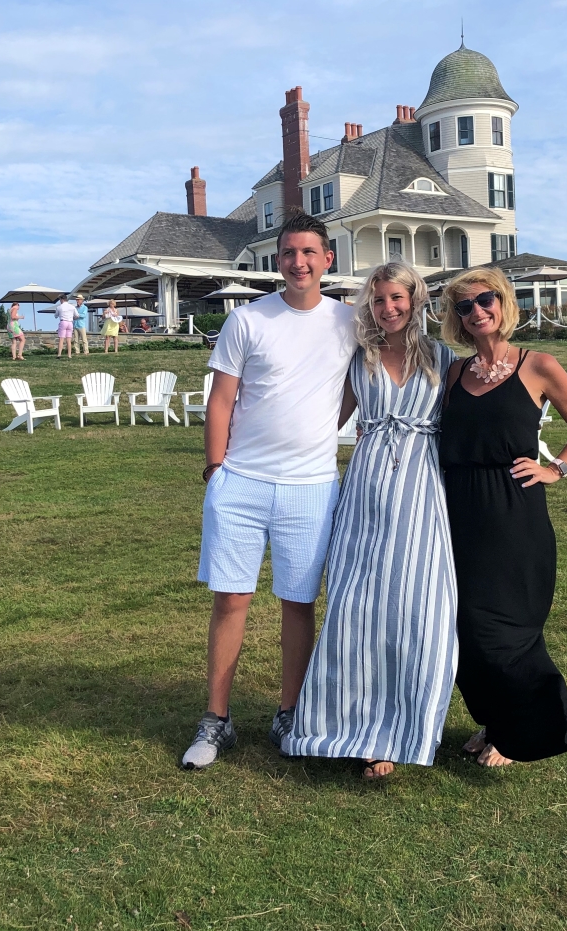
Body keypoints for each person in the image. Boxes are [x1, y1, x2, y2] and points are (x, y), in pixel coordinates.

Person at [181, 210, 356, 770]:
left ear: (328, 259)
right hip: (242, 483)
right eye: (288, 253)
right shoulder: (248, 321)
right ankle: (216, 719)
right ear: (276, 261)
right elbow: (221, 401)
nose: (298, 262)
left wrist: (322, 426)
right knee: (231, 600)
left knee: (298, 604)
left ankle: (290, 713)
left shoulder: (350, 322)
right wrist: (215, 471)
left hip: (311, 487)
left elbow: (357, 389)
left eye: (309, 252)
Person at [283, 262, 458, 780]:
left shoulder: (443, 358)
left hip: (424, 491)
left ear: (416, 299)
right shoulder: (359, 359)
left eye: (397, 298)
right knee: (358, 607)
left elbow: (465, 425)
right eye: (379, 300)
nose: (389, 309)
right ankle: (352, 729)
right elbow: (323, 420)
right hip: (367, 491)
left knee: (417, 610)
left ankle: (401, 731)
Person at [439, 268, 567, 767]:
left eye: (484, 300)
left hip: (515, 515)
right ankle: (494, 721)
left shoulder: (538, 366)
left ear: (503, 302)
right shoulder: (454, 373)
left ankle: (526, 729)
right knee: (464, 626)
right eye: (464, 307)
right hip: (459, 513)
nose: (476, 312)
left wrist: (557, 469)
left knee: (508, 629)